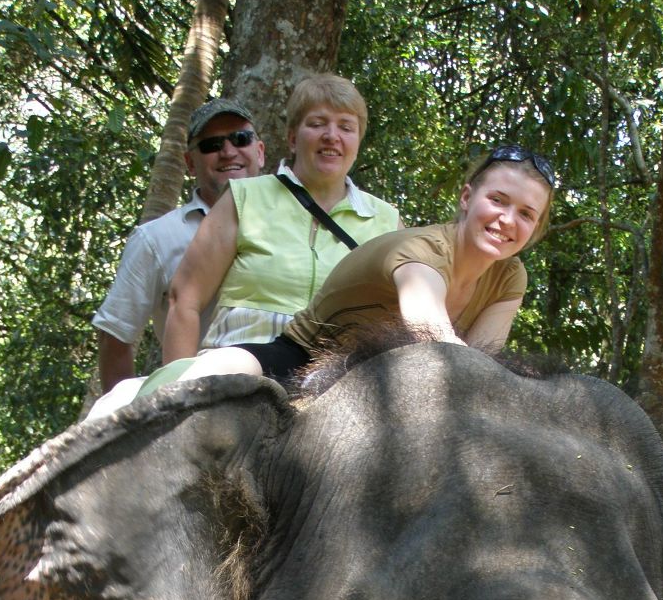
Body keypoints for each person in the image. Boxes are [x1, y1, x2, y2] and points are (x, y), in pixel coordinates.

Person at [170, 144, 555, 386]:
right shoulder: (425, 253)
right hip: (305, 356)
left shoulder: (510, 276)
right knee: (216, 378)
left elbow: (482, 361)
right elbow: (437, 341)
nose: (507, 220)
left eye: (525, 213)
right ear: (467, 197)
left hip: (383, 377)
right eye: (498, 200)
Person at [157, 73, 400, 377]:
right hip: (236, 373)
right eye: (317, 123)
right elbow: (185, 300)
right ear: (291, 137)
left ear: (358, 141)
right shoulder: (244, 197)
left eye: (346, 127)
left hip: (339, 382)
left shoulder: (386, 221)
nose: (331, 135)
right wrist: (175, 392)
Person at [90, 97, 265, 394]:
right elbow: (116, 335)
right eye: (211, 145)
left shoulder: (298, 222)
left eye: (241, 138)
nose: (227, 151)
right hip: (204, 407)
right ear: (189, 163)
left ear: (259, 152)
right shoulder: (156, 238)